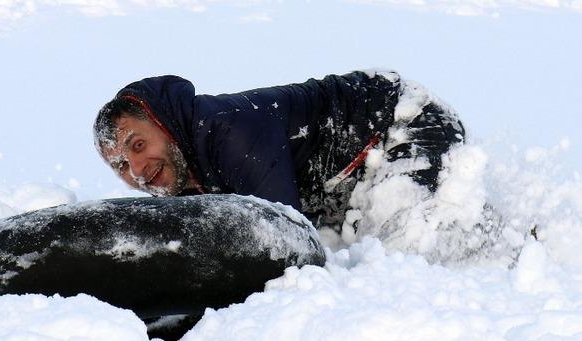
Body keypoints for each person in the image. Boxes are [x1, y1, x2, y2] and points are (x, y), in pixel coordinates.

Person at [93, 70, 466, 232]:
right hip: (350, 181)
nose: (137, 170)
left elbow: (283, 238)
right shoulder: (185, 174)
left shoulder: (230, 131)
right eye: (121, 165)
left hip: (404, 120)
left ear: (165, 124)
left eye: (138, 145)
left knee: (406, 246)